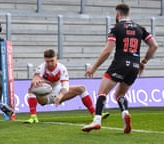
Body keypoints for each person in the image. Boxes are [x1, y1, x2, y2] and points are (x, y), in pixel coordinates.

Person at [82, 3, 158, 133]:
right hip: (134, 65)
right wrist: (143, 62)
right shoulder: (140, 28)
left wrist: (94, 67)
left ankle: (97, 120)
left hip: (120, 63)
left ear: (117, 14)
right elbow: (154, 46)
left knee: (102, 92)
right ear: (128, 13)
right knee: (119, 94)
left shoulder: (116, 28)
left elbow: (107, 51)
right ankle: (125, 113)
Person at [24, 49, 110, 124]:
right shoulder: (41, 67)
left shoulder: (62, 68)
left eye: (52, 61)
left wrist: (60, 96)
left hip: (58, 92)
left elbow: (65, 86)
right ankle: (33, 117)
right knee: (32, 89)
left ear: (56, 58)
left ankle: (94, 114)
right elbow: (35, 78)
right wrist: (35, 81)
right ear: (44, 60)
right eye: (47, 61)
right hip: (45, 96)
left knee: (81, 89)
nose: (50, 63)